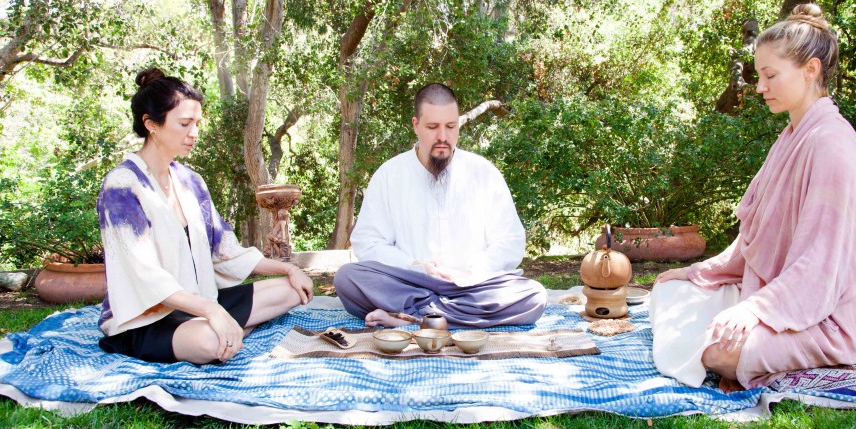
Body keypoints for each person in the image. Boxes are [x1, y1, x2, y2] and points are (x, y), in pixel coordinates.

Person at [649, 4, 856, 391]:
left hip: (820, 313)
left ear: (811, 70)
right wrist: (696, 273)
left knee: (717, 355)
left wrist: (756, 310)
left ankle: (753, 342)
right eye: (759, 76)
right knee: (669, 289)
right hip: (769, 291)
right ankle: (735, 322)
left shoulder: (833, 144)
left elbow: (820, 266)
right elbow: (753, 239)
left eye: (770, 75)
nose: (760, 87)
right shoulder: (790, 136)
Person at [96, 68, 313, 364]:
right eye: (185, 123)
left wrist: (288, 269)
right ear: (151, 124)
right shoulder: (122, 185)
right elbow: (144, 274)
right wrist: (212, 312)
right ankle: (223, 333)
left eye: (197, 123)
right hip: (149, 317)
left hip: (202, 302)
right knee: (210, 342)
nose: (194, 133)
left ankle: (228, 330)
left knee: (293, 290)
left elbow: (224, 250)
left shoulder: (190, 180)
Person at [334, 83, 546, 329]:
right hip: (411, 282)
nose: (443, 137)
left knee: (533, 296)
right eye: (433, 127)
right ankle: (451, 317)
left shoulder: (483, 172)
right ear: (416, 125)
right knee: (347, 278)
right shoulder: (389, 175)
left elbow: (510, 241)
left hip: (473, 286)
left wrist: (472, 273)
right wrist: (416, 266)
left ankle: (412, 318)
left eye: (451, 126)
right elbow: (368, 242)